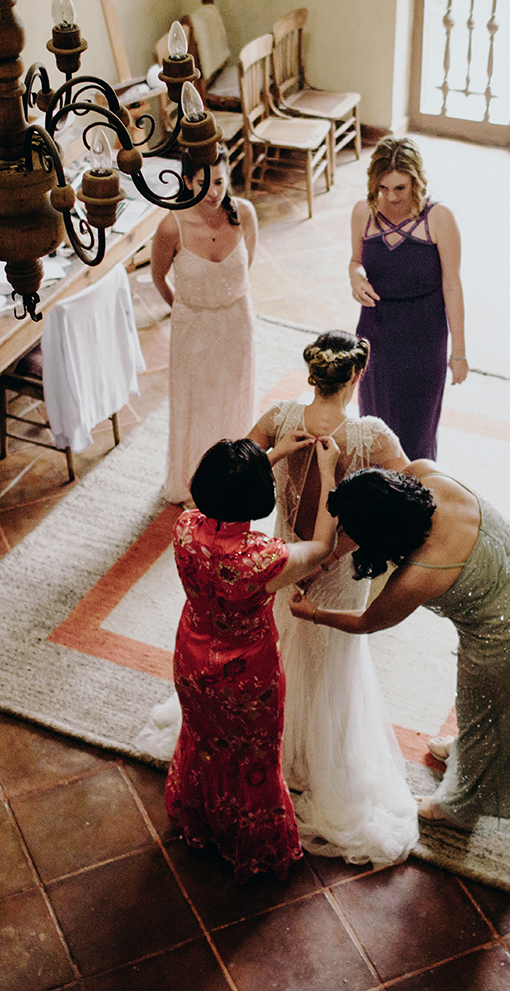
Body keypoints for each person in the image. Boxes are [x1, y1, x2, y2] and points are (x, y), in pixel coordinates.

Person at [289, 465, 510, 829]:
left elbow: (368, 621)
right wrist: (328, 560)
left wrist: (315, 613)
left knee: (487, 713)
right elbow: (372, 513)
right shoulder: (425, 475)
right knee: (481, 707)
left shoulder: (418, 573)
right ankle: (465, 749)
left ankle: (456, 810)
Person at [244, 330, 419, 865]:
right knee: (329, 661)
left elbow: (235, 470)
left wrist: (274, 456)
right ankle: (319, 760)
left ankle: (275, 744)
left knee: (281, 644)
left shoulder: (279, 418)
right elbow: (411, 499)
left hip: (284, 559)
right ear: (357, 376)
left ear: (312, 375)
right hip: (339, 569)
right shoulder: (372, 438)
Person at [164, 436, 339, 883]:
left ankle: (201, 822)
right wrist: (330, 472)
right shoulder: (263, 558)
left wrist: (267, 456)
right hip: (246, 672)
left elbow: (214, 496)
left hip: (191, 656)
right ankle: (254, 846)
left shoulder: (183, 526)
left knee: (203, 740)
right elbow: (321, 546)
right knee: (254, 755)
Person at [349, 137, 466, 461]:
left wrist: (458, 352)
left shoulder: (439, 218)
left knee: (417, 432)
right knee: (374, 425)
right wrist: (355, 277)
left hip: (424, 335)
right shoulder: (364, 212)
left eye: (400, 188)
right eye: (383, 187)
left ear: (416, 180)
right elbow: (355, 261)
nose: (391, 196)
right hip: (375, 331)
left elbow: (452, 285)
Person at [153, 151, 258, 503]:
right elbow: (158, 277)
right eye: (204, 183)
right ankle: (194, 482)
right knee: (195, 405)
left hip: (237, 322)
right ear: (186, 182)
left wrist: (224, 301)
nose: (214, 192)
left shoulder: (244, 214)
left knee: (233, 397)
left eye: (219, 181)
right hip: (192, 328)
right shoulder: (172, 226)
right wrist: (185, 310)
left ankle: (236, 479)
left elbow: (246, 267)